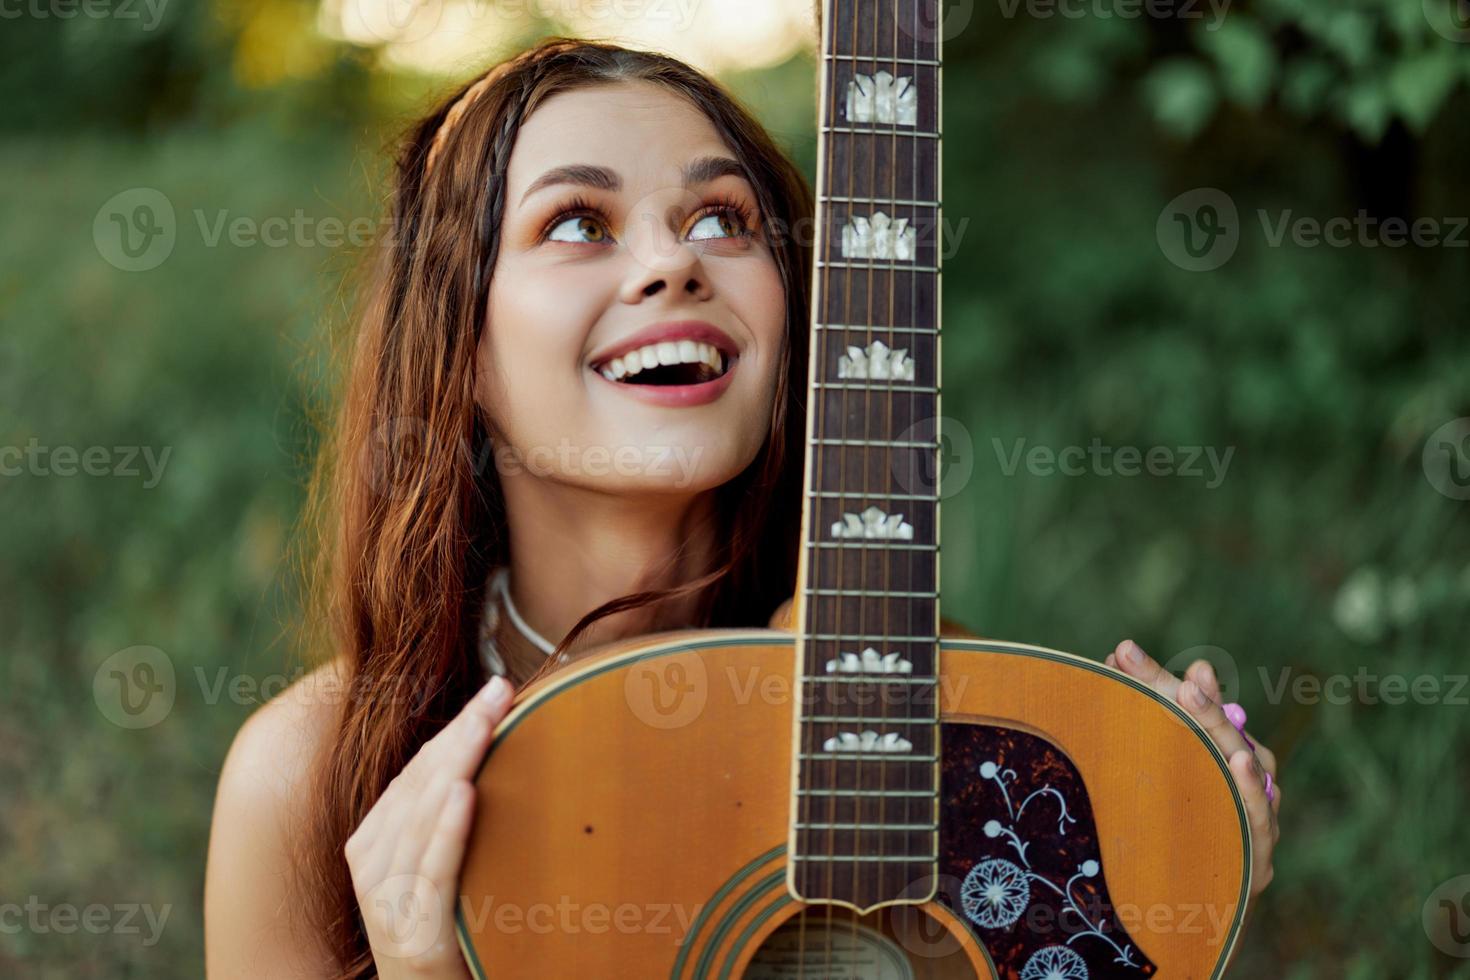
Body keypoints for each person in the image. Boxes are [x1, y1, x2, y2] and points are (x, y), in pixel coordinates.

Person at [203, 36, 1279, 979]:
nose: (673, 261)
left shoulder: (920, 707)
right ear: (459, 344)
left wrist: (1179, 854)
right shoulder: (313, 773)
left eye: (722, 217)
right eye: (578, 222)